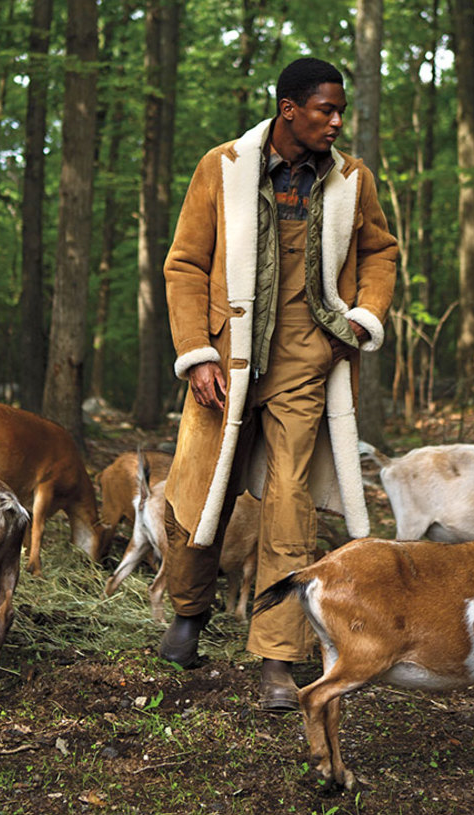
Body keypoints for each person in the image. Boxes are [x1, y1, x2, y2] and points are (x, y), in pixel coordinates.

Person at [158, 56, 399, 710]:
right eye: (325, 109)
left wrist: (361, 317)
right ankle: (188, 611)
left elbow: (380, 251)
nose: (336, 121)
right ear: (289, 109)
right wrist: (196, 353)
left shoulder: (351, 179)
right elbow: (183, 265)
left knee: (291, 501)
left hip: (304, 350)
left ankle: (277, 658)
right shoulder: (223, 167)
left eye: (340, 110)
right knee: (199, 489)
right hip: (225, 354)